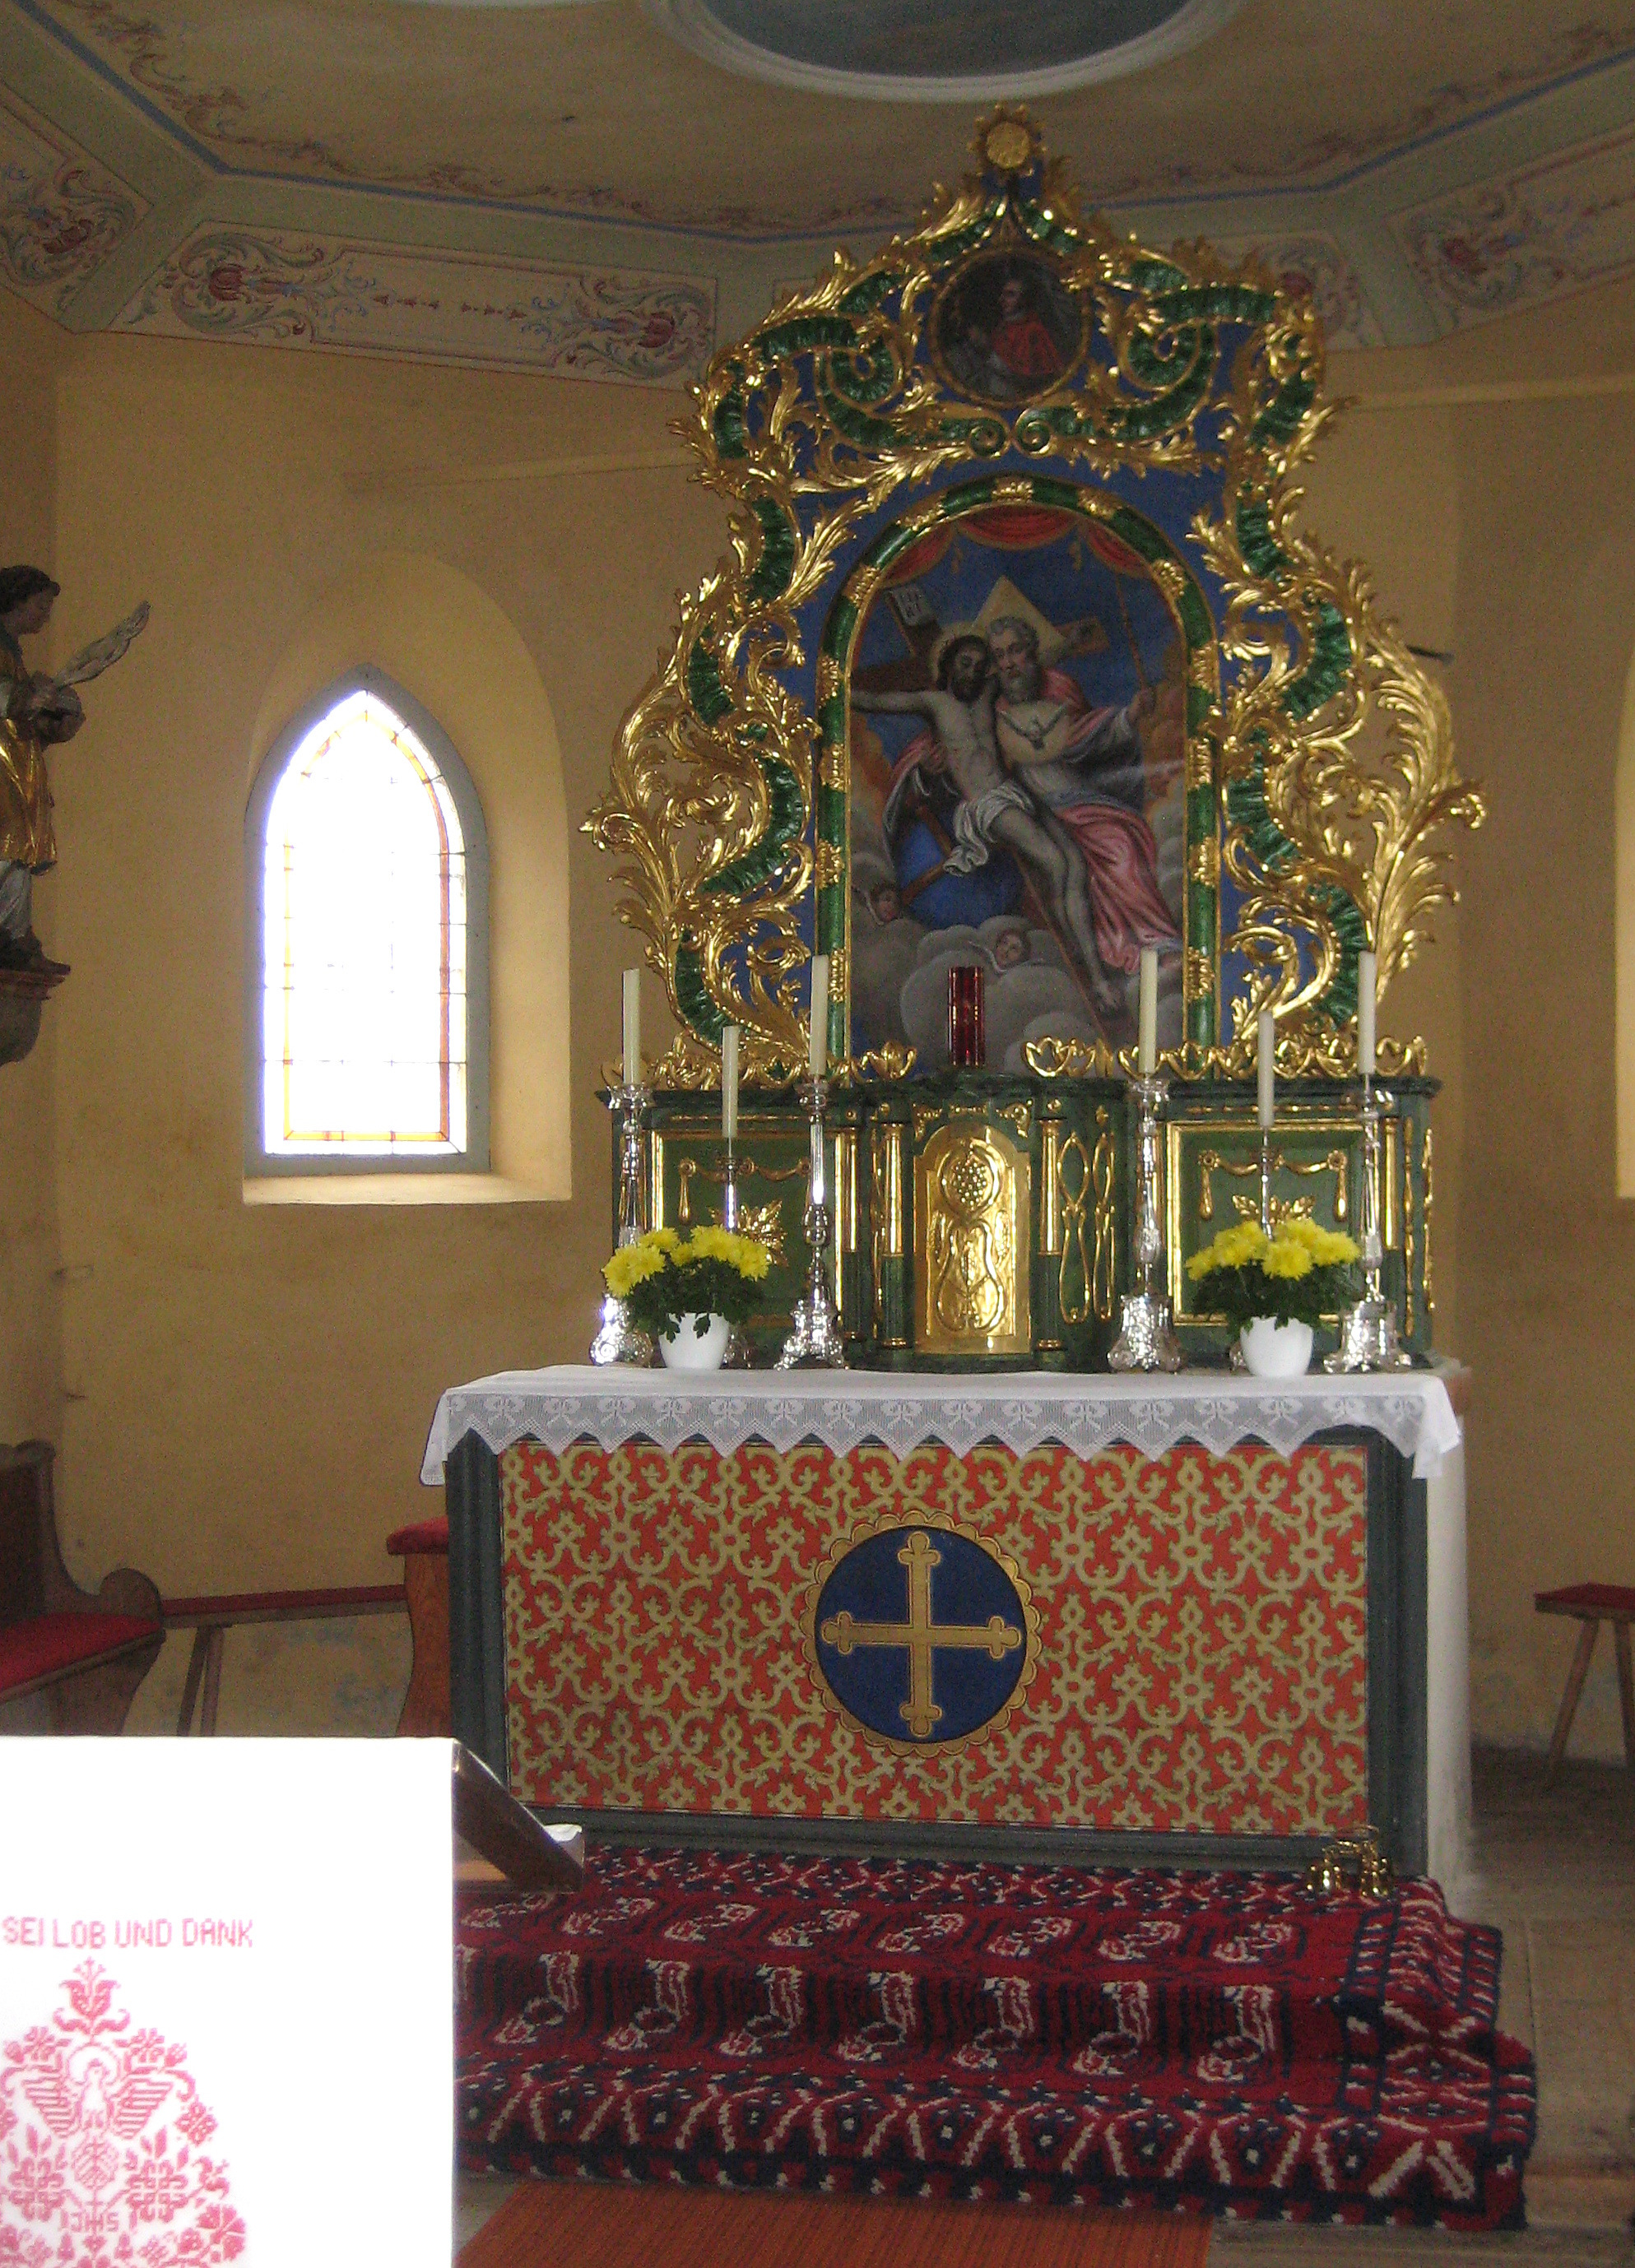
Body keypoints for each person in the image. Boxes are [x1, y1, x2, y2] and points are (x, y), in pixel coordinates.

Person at [854, 635, 1126, 1025]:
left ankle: (1094, 968)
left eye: (980, 665)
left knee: (1074, 861)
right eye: (965, 663)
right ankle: (1088, 969)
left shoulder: (985, 696)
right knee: (1054, 861)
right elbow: (880, 701)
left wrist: (1079, 636)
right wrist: (836, 686)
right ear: (948, 666)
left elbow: (1034, 657)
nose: (974, 672)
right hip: (986, 805)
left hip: (1013, 792)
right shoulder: (935, 704)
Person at [986, 615, 1178, 978]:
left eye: (1015, 651)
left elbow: (1087, 737)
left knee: (1123, 840)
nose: (1008, 663)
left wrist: (1129, 716)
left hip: (1077, 796)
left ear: (1031, 651)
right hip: (1032, 807)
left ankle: (1154, 944)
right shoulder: (994, 707)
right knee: (1114, 847)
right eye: (999, 657)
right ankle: (1143, 949)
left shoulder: (1058, 686)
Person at [0, 568, 81, 972]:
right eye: (41, 605)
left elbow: (23, 725)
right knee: (8, 846)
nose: (46, 615)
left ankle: (14, 937)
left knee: (18, 852)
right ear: (17, 599)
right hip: (4, 773)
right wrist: (27, 695)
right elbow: (7, 702)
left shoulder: (13, 654)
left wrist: (58, 719)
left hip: (18, 770)